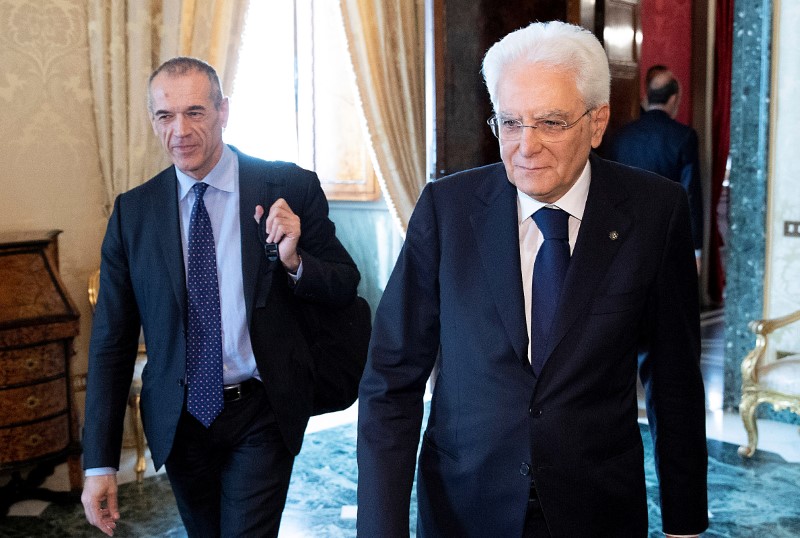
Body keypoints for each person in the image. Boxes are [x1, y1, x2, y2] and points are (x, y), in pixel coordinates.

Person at [357, 21, 708, 538]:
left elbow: (674, 377)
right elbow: (392, 378)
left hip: (597, 508)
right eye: (511, 122)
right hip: (464, 506)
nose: (526, 146)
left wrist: (684, 522)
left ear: (596, 122)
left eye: (551, 122)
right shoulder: (446, 211)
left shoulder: (655, 213)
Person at [81, 57, 360, 537]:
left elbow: (344, 284)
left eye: (195, 112)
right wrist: (99, 464)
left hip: (263, 408)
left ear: (223, 111)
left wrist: (295, 261)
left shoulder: (289, 186)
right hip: (181, 418)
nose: (180, 131)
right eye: (165, 116)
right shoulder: (134, 214)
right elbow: (111, 343)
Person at [608, 68, 704, 270]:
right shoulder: (683, 137)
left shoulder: (621, 136)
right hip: (667, 236)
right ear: (674, 98)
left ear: (647, 97)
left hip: (624, 235)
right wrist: (695, 249)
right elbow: (690, 195)